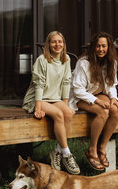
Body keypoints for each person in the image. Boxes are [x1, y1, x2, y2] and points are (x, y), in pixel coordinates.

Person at [23, 31, 79, 174]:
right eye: (54, 42)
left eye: (60, 42)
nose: (57, 44)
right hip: (37, 98)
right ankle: (67, 154)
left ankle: (57, 152)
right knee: (58, 115)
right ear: (48, 44)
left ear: (64, 44)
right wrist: (38, 108)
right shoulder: (42, 60)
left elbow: (66, 83)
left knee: (68, 113)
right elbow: (39, 84)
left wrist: (65, 104)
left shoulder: (66, 59)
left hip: (54, 98)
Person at [70, 32, 118, 171]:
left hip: (98, 94)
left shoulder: (112, 62)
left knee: (115, 110)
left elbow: (112, 85)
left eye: (104, 46)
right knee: (103, 111)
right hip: (80, 97)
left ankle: (102, 148)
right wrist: (97, 101)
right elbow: (78, 90)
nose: (101, 49)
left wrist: (113, 98)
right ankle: (92, 150)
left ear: (108, 47)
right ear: (93, 47)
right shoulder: (84, 63)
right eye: (98, 46)